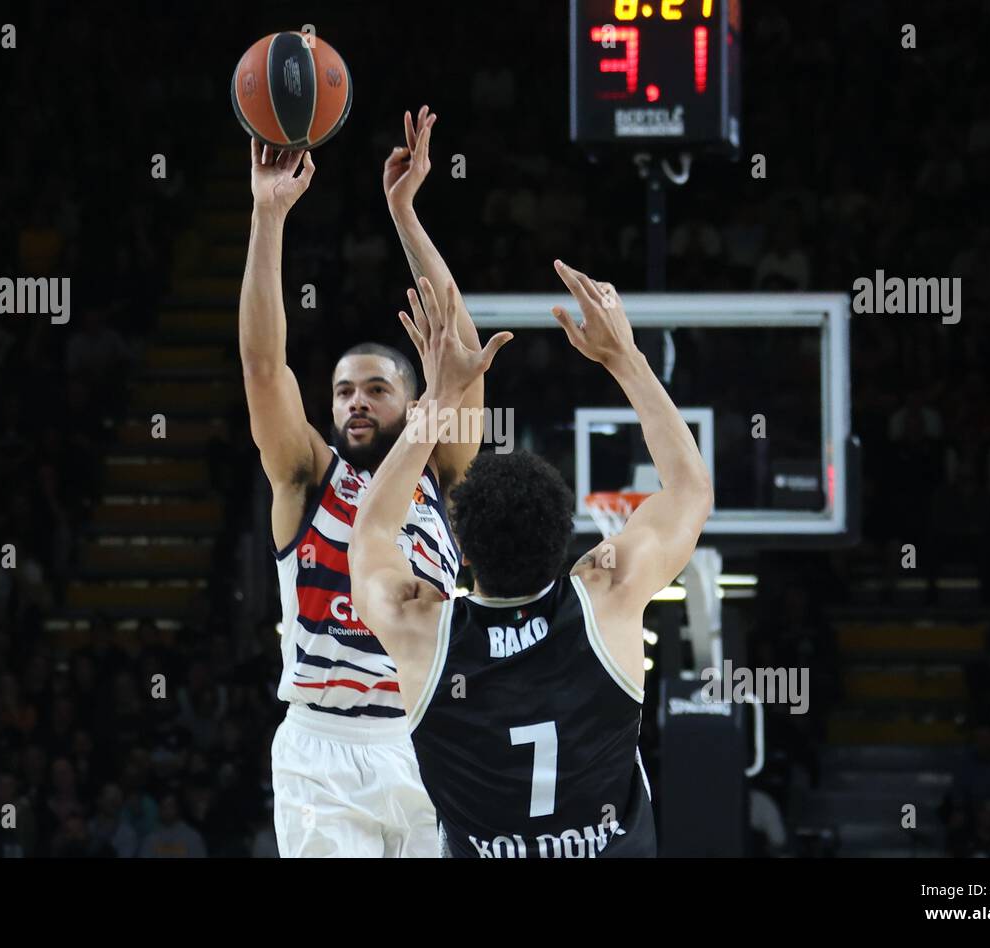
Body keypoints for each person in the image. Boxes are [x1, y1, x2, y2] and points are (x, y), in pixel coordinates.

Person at [349, 263, 713, 857]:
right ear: (570, 540)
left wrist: (437, 402)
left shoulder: (424, 632)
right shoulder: (607, 597)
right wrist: (625, 357)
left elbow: (370, 533)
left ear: (459, 549)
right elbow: (691, 490)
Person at [240, 107, 485, 857]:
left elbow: (461, 352)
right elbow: (262, 366)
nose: (354, 402)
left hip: (422, 739)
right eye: (344, 390)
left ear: (413, 404)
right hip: (322, 749)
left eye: (375, 388)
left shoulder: (443, 474)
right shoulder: (307, 476)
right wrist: (268, 216)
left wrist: (406, 214)